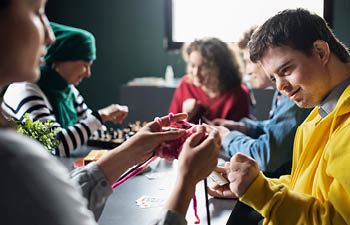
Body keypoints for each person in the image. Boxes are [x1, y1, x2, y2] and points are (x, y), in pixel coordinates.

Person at [0, 1, 221, 225]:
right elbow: (60, 143)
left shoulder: (65, 93)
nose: (49, 36)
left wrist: (132, 149)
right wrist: (186, 180)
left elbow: (63, 205)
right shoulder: (13, 158)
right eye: (37, 13)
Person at [209, 8, 350, 225]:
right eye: (274, 78)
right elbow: (306, 187)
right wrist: (252, 186)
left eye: (286, 70)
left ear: (321, 52)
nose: (281, 87)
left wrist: (261, 192)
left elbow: (337, 220)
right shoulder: (320, 113)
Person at [1, 22, 129, 157]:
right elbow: (56, 145)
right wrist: (102, 115)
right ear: (60, 60)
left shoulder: (68, 90)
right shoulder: (26, 89)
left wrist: (132, 137)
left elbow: (92, 131)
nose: (88, 73)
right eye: (85, 65)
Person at [212, 27, 312, 177]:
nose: (248, 71)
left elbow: (266, 156)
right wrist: (245, 128)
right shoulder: (280, 92)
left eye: (249, 62)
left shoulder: (294, 94)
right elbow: (279, 129)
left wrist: (226, 137)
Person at [168, 37, 250, 123]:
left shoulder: (238, 94)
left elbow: (238, 134)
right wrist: (185, 116)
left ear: (219, 68)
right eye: (192, 65)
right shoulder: (185, 84)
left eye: (203, 67)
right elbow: (171, 126)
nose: (196, 73)